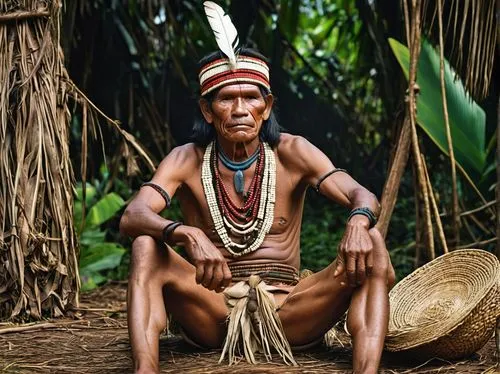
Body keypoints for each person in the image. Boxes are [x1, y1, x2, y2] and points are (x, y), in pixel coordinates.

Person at [119, 46, 395, 374]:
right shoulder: (187, 159)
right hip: (213, 312)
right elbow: (133, 215)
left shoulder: (293, 153)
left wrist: (358, 222)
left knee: (373, 243)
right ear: (207, 110)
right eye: (225, 99)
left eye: (251, 97)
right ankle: (145, 370)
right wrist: (185, 233)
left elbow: (360, 194)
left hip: (290, 313)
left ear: (266, 107)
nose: (239, 109)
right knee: (145, 246)